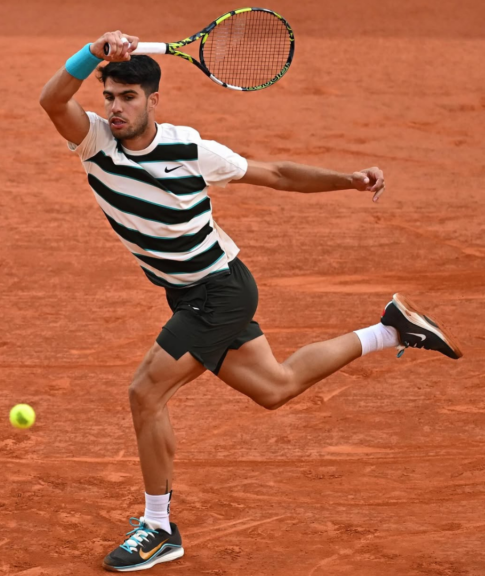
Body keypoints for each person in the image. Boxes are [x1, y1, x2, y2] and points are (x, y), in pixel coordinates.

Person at [39, 31, 462, 572]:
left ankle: (159, 527)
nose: (117, 109)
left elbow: (277, 174)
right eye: (111, 98)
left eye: (129, 98)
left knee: (145, 393)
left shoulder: (191, 150)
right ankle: (392, 330)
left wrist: (347, 180)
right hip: (190, 294)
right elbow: (52, 100)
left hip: (219, 290)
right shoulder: (95, 142)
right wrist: (93, 53)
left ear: (153, 101)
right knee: (275, 387)